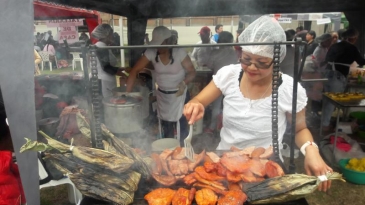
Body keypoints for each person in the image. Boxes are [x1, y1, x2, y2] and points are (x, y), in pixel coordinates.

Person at [183, 16, 332, 192]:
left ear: (276, 60)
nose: (252, 67)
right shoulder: (229, 75)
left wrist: (311, 151)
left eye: (261, 63)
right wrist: (195, 104)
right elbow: (198, 100)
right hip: (225, 161)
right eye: (246, 59)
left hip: (265, 167)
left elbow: (300, 130)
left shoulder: (289, 89)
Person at [126, 26, 196, 145]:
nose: (158, 47)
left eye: (161, 43)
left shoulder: (180, 53)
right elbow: (134, 70)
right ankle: (167, 149)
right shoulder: (152, 52)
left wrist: (184, 83)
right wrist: (127, 95)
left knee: (181, 125)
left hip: (179, 95)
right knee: (165, 125)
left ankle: (182, 151)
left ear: (168, 41)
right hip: (162, 95)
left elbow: (192, 72)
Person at [322, 28, 365, 131]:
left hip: (327, 74)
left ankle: (324, 122)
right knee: (332, 102)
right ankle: (325, 125)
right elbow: (361, 61)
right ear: (353, 38)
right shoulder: (352, 48)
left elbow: (327, 58)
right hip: (337, 76)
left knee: (327, 100)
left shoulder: (335, 45)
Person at [205, 31, 238, 133]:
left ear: (219, 40)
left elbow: (210, 66)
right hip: (233, 82)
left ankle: (212, 127)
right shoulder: (235, 53)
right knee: (232, 105)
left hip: (218, 83)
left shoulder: (214, 53)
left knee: (216, 106)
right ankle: (229, 128)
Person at [91, 24, 125, 98]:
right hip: (104, 83)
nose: (113, 36)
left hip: (105, 81)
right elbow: (106, 68)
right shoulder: (101, 47)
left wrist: (121, 68)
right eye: (111, 34)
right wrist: (124, 75)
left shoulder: (103, 46)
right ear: (107, 35)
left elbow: (105, 64)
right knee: (106, 104)